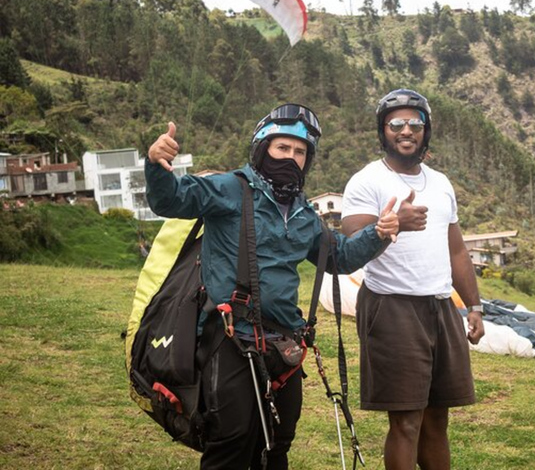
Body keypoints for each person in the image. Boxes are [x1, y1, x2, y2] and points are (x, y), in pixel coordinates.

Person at [145, 103, 399, 470]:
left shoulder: (303, 213)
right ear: (263, 149)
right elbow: (170, 199)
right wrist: (156, 165)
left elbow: (337, 258)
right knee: (231, 440)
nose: (291, 158)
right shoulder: (229, 189)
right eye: (283, 148)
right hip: (231, 337)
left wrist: (378, 234)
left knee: (278, 444)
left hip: (284, 343)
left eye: (300, 152)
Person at [341, 89, 485, 469]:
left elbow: (456, 250)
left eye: (415, 123)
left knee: (438, 418)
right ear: (383, 131)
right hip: (392, 307)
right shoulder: (366, 181)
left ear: (426, 131)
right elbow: (351, 243)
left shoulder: (440, 183)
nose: (406, 131)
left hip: (440, 307)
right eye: (396, 124)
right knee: (406, 420)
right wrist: (393, 225)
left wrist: (474, 306)